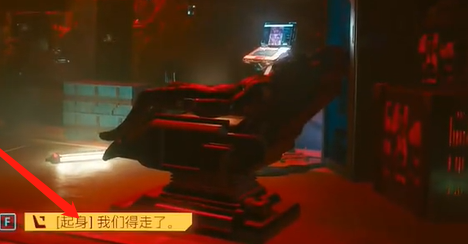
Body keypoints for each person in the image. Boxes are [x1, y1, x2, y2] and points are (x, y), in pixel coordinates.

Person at [99, 46, 348, 161]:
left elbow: (230, 106)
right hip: (238, 90)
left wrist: (192, 105)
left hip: (238, 98)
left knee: (158, 102)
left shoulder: (282, 92)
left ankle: (125, 142)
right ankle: (123, 134)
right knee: (151, 96)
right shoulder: (289, 78)